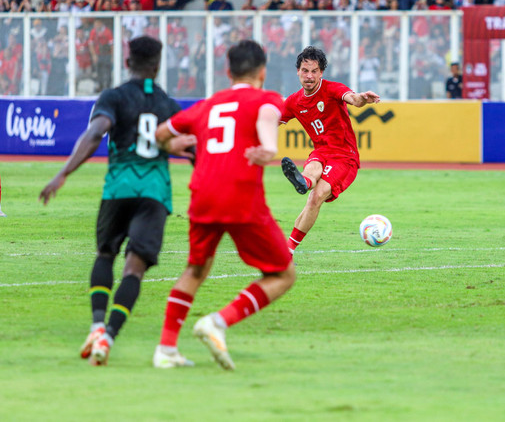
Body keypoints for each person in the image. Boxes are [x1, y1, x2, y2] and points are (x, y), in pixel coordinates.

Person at [39, 36, 196, 366]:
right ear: (157, 64)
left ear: (128, 63)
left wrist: (64, 173)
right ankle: (108, 337)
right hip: (154, 192)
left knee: (105, 254)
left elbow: (96, 132)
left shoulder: (114, 96)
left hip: (117, 188)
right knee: (134, 270)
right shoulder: (167, 103)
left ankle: (96, 326)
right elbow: (191, 147)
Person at [152, 39, 296, 370]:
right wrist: (269, 148)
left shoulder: (208, 105)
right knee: (283, 274)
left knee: (196, 269)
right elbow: (268, 117)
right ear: (263, 71)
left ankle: (166, 349)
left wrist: (181, 145)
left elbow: (161, 133)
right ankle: (219, 321)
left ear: (227, 71)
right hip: (242, 196)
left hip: (202, 194)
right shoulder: (266, 98)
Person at [279, 46, 380, 255]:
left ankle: (288, 249)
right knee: (313, 169)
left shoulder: (333, 89)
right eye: (305, 71)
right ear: (297, 71)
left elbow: (353, 99)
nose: (309, 76)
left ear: (321, 73)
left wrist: (362, 98)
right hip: (321, 152)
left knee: (317, 196)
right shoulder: (293, 102)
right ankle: (303, 182)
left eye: (314, 71)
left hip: (345, 157)